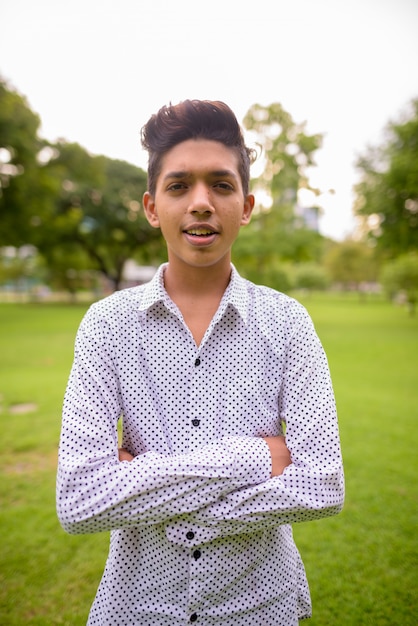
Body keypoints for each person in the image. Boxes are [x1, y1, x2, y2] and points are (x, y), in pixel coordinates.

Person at [56, 99, 344, 626]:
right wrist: (257, 461)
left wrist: (142, 481)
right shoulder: (106, 326)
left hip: (261, 605)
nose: (201, 203)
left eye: (221, 184)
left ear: (247, 205)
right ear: (150, 207)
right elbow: (79, 499)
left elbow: (323, 483)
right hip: (137, 606)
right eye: (179, 185)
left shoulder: (287, 323)